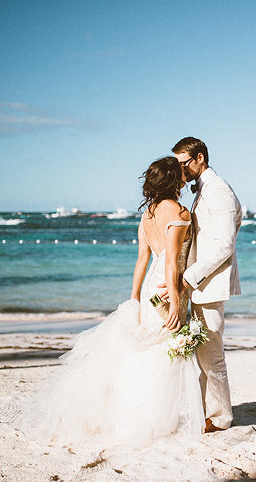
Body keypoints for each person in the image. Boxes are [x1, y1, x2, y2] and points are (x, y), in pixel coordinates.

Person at [22, 156, 205, 446]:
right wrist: (175, 299)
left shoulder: (147, 216)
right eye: (181, 173)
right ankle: (157, 420)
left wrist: (134, 299)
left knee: (146, 351)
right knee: (163, 351)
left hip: (148, 290)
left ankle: (137, 415)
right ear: (174, 180)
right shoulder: (179, 213)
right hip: (167, 289)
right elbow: (171, 262)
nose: (185, 176)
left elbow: (141, 261)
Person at [170, 136, 242, 433]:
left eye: (184, 163)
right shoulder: (204, 190)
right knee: (201, 352)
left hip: (209, 284)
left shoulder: (219, 191)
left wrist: (189, 276)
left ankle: (222, 418)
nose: (181, 170)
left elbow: (224, 245)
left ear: (200, 158)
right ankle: (204, 412)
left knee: (212, 354)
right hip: (201, 283)